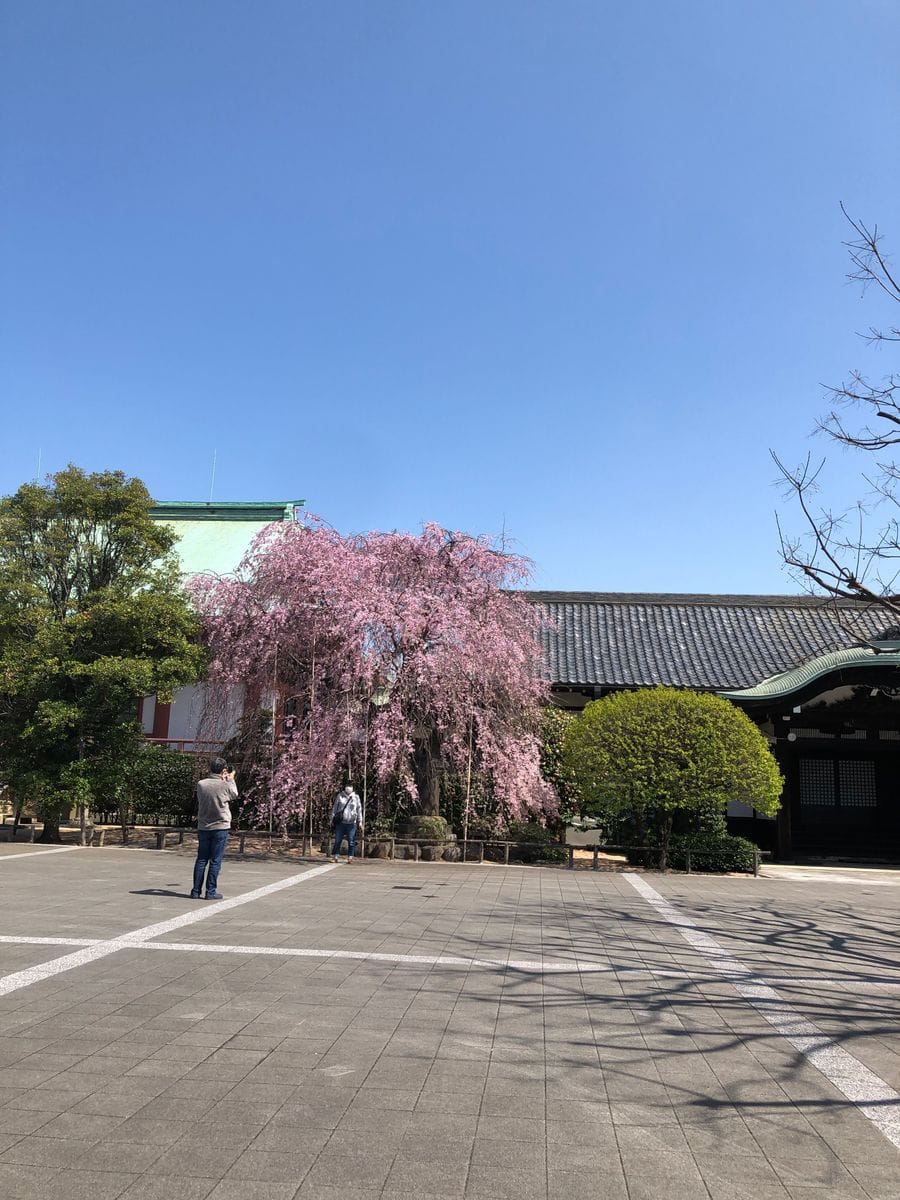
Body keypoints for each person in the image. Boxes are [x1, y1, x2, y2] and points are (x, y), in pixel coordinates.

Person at [191, 756, 237, 899]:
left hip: (204, 826)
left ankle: (195, 891)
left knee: (201, 859)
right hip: (220, 825)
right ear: (223, 770)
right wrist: (230, 779)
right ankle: (210, 892)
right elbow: (234, 794)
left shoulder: (201, 784)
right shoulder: (224, 784)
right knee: (215, 860)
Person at [330, 782, 362, 863]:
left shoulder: (356, 797)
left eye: (350, 786)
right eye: (347, 786)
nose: (348, 788)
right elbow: (335, 808)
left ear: (352, 788)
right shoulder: (340, 796)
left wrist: (360, 821)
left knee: (351, 841)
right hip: (341, 822)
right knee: (338, 840)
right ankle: (335, 856)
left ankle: (350, 857)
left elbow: (359, 810)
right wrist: (332, 819)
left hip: (352, 823)